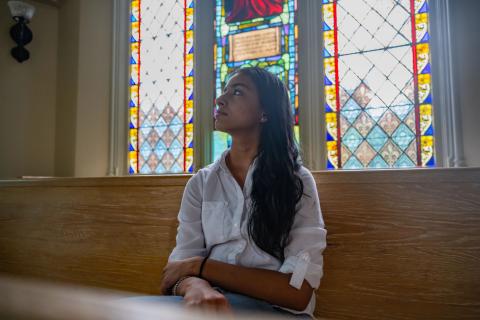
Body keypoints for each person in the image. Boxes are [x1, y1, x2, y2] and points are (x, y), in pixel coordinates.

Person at [147, 67, 327, 319]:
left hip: (275, 312)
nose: (220, 99)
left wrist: (200, 268)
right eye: (224, 91)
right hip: (209, 305)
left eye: (237, 92)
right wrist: (195, 286)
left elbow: (297, 292)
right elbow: (176, 272)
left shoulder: (297, 182)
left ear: (265, 113)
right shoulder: (201, 183)